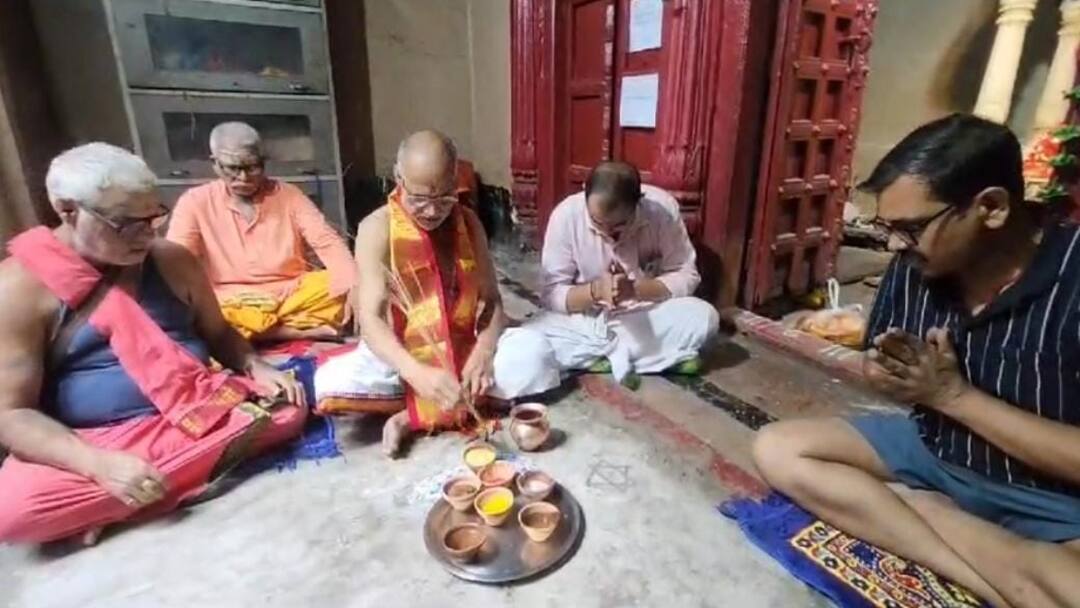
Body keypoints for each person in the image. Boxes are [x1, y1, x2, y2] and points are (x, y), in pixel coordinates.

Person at [753, 114, 1080, 608]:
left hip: (1051, 500)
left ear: (990, 208)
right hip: (937, 454)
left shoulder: (1071, 277)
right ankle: (981, 574)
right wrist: (884, 372)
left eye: (911, 228)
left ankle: (925, 516)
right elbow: (878, 359)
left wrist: (953, 397)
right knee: (780, 448)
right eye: (888, 228)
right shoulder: (916, 266)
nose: (891, 244)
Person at [0, 143, 307, 545]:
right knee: (14, 512)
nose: (148, 234)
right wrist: (98, 465)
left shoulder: (172, 260)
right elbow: (11, 413)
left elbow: (218, 334)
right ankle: (139, 488)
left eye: (154, 217)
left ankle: (123, 502)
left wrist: (255, 366)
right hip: (92, 440)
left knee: (288, 410)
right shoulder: (17, 289)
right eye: (126, 224)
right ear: (67, 209)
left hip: (190, 414)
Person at [313, 130, 559, 457]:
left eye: (443, 198)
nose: (431, 211)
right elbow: (371, 320)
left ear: (456, 181)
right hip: (404, 354)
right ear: (398, 179)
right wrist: (415, 372)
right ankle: (439, 402)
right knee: (329, 382)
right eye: (418, 199)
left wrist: (483, 354)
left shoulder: (469, 222)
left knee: (535, 352)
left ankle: (412, 415)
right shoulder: (377, 227)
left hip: (464, 344)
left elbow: (493, 300)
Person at [528, 161, 719, 387]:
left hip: (643, 312)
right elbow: (551, 294)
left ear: (639, 202)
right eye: (598, 223)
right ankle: (652, 356)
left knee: (704, 318)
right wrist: (595, 291)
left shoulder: (662, 210)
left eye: (619, 226)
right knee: (531, 338)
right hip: (587, 319)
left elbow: (686, 274)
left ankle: (598, 355)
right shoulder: (566, 216)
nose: (608, 233)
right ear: (584, 193)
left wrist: (636, 290)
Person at [167, 122, 356, 342]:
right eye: (233, 168)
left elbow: (327, 241)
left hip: (290, 293)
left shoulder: (289, 195)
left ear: (263, 162)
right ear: (215, 164)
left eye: (252, 167)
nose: (244, 178)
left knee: (340, 283)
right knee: (191, 306)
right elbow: (176, 259)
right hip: (231, 299)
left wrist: (354, 287)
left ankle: (254, 333)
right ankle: (288, 332)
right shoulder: (194, 201)